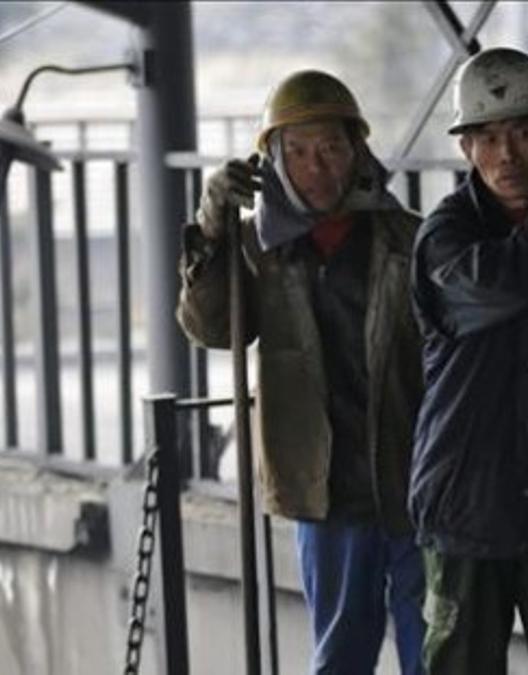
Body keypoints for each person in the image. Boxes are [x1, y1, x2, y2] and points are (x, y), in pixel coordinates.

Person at [176, 70, 426, 674]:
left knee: (436, 651)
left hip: (414, 476)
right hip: (324, 485)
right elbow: (209, 329)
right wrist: (209, 234)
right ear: (275, 162)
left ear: (357, 151)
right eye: (299, 151)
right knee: (340, 653)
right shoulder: (254, 250)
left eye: (332, 148)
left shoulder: (408, 238)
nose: (318, 166)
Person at [408, 47, 528, 675]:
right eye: (487, 137)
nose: (506, 155)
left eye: (522, 132)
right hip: (467, 495)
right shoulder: (445, 235)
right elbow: (512, 282)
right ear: (465, 147)